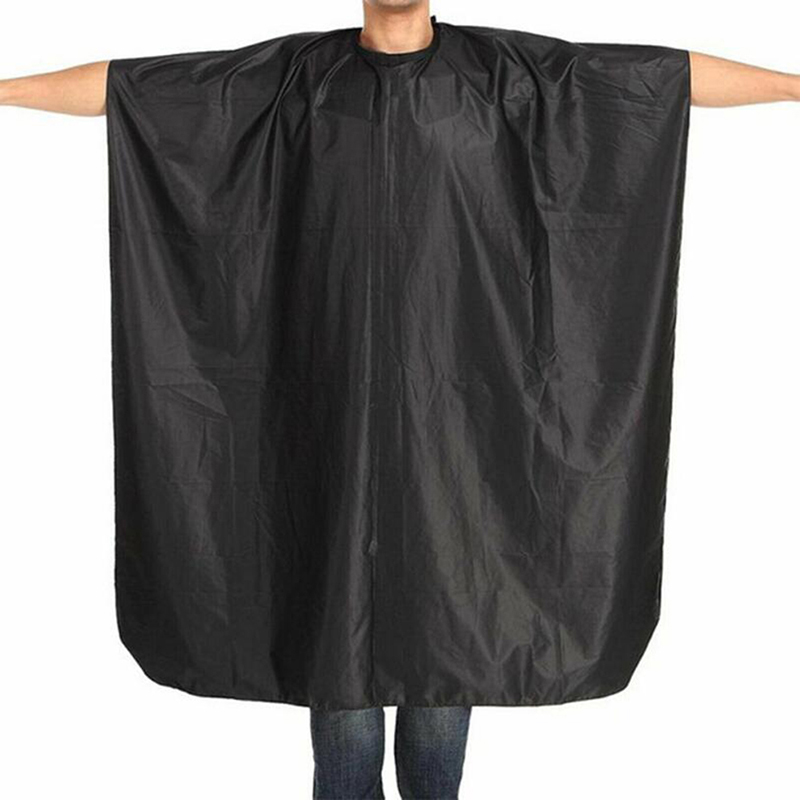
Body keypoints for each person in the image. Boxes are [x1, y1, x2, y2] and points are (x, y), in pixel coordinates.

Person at [2, 2, 797, 798]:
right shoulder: (289, 82)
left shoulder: (509, 80)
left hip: (459, 423)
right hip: (325, 413)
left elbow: (658, 80)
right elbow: (132, 88)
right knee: (341, 659)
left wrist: (793, 85)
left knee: (445, 638)